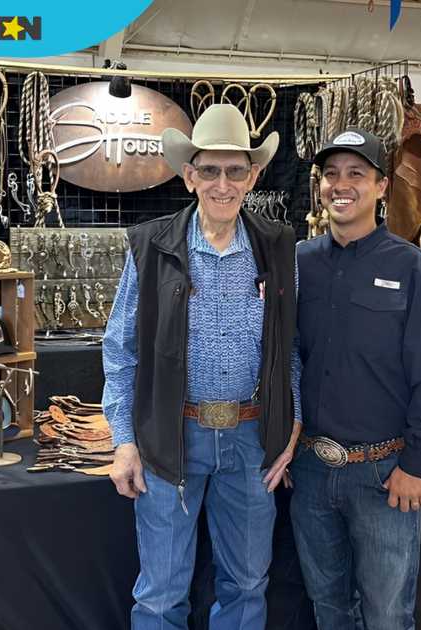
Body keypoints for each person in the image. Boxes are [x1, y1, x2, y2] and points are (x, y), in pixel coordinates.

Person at [102, 103, 299, 630]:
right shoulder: (150, 247)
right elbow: (121, 352)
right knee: (161, 594)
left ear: (252, 176)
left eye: (236, 170)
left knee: (248, 587)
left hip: (251, 438)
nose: (223, 183)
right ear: (189, 176)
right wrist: (124, 440)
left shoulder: (278, 249)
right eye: (209, 170)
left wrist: (290, 429)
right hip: (171, 436)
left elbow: (290, 352)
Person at [291, 128, 421, 629]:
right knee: (328, 609)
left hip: (385, 477)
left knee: (386, 615)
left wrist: (418, 463)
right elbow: (284, 359)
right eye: (331, 174)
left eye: (356, 174)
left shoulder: (412, 268)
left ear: (382, 186)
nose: (342, 185)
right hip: (311, 473)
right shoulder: (299, 263)